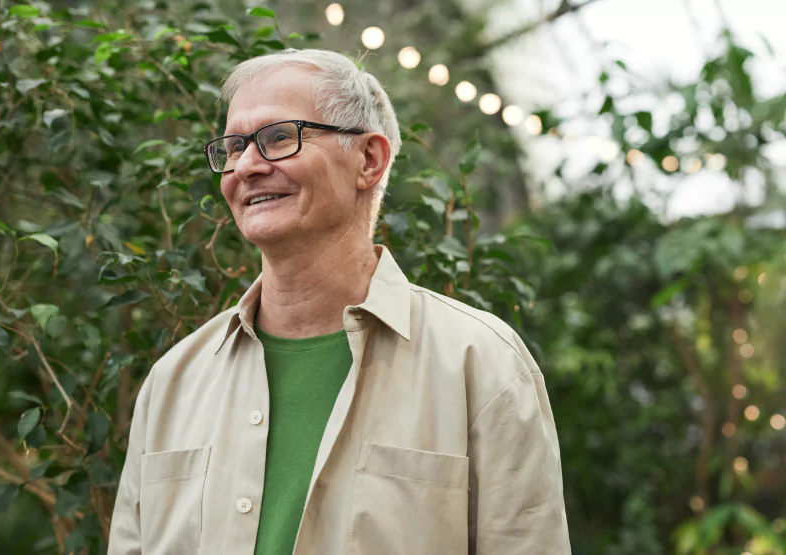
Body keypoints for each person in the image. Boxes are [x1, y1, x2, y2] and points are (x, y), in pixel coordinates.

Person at [107, 48, 570, 555]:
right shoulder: (174, 381)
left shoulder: (481, 365)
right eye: (233, 146)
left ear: (368, 160)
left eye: (278, 137)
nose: (245, 166)